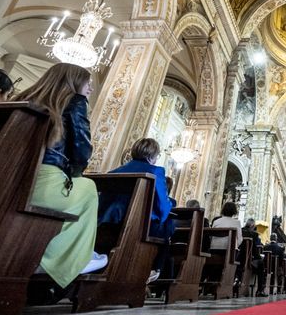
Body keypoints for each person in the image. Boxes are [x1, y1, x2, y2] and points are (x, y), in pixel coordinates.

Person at [17, 63, 105, 291]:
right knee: (86, 189)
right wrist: (72, 174)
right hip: (43, 182)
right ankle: (54, 263)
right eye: (88, 84)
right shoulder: (75, 102)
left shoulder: (21, 100)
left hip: (10, 181)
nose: (91, 89)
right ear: (74, 82)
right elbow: (81, 153)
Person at [101, 138, 174, 282]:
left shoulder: (114, 172)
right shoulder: (155, 171)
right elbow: (163, 206)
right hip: (139, 226)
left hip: (108, 223)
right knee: (167, 230)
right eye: (157, 156)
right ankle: (153, 269)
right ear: (151, 156)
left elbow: (103, 201)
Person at [236, 218, 267, 297]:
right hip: (248, 260)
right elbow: (255, 251)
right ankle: (260, 290)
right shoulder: (254, 234)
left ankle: (237, 281)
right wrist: (260, 257)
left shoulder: (240, 231)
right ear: (253, 225)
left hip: (237, 258)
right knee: (261, 265)